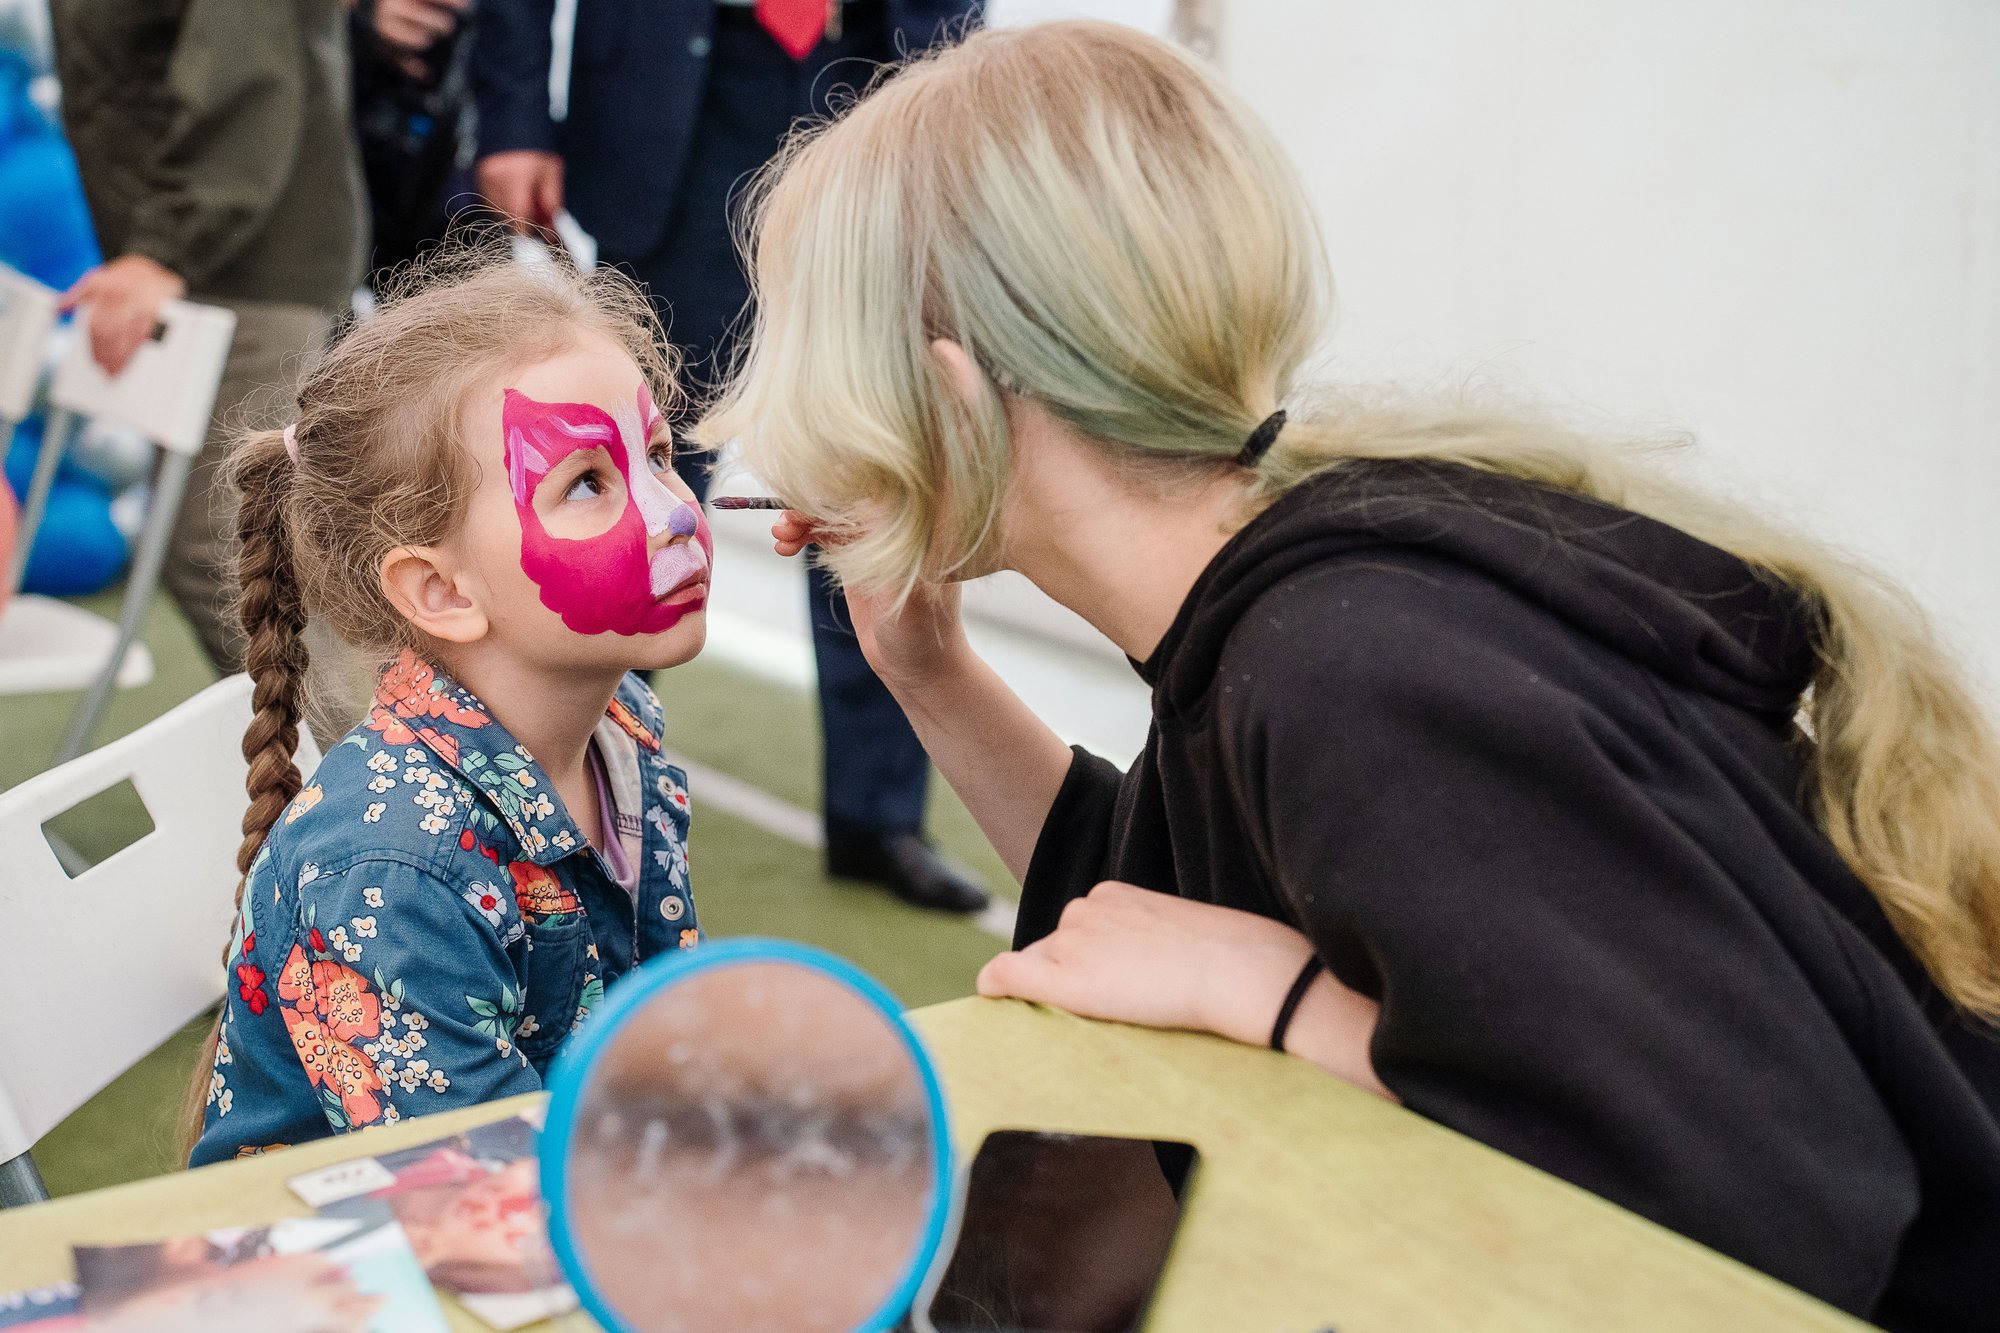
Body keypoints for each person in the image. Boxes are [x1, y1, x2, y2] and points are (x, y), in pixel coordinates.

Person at [703, 21, 2000, 1330]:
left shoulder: (1355, 673)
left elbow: (1743, 1209)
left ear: (956, 401)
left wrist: (1280, 1000)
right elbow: (1149, 909)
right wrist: (925, 670)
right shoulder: (1281, 612)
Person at [187, 250, 708, 1166]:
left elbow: (661, 1041)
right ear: (438, 590)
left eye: (658, 454)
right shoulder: (390, 867)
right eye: (588, 480)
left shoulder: (622, 734)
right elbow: (487, 1191)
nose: (674, 512)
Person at [472, 0, 990, 914]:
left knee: (871, 482)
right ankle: (578, 798)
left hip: (868, 89)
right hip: (677, 109)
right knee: (627, 493)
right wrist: (513, 115)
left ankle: (879, 817)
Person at [49, 0, 368, 673]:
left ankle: (354, 771)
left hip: (243, 258)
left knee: (232, 555)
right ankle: (316, 761)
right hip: (216, 254)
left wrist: (163, 249)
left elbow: (246, 76)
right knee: (223, 553)